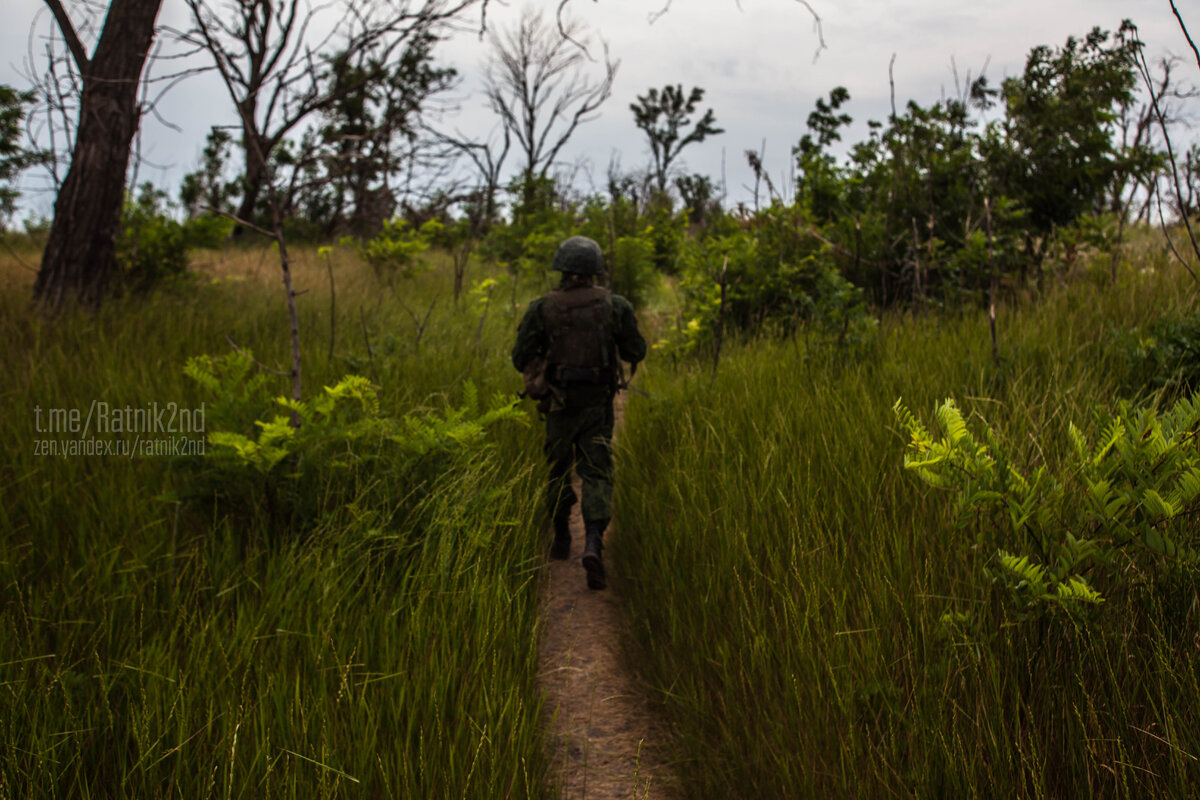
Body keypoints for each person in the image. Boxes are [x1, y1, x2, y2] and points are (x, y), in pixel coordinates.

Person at [511, 236, 646, 590]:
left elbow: (518, 356)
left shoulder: (542, 307)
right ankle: (593, 544)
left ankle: (560, 539)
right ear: (595, 270)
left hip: (558, 404)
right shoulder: (614, 305)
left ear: (562, 269)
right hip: (597, 405)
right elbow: (637, 350)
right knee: (597, 472)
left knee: (557, 470)